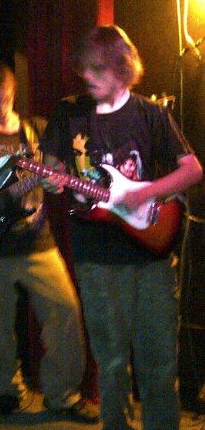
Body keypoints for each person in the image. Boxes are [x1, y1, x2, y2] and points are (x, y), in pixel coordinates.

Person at [40, 25, 203, 430]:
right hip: (96, 258)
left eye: (98, 69)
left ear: (122, 69)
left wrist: (145, 193)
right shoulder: (69, 114)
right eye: (85, 68)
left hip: (152, 256)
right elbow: (52, 168)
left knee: (158, 364)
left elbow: (192, 170)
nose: (87, 76)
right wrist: (52, 180)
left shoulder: (151, 114)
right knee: (111, 366)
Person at [0, 62, 98, 422]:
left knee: (65, 312)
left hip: (38, 241)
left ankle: (63, 395)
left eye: (7, 96)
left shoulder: (36, 130)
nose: (2, 104)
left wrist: (56, 180)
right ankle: (8, 391)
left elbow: (55, 177)